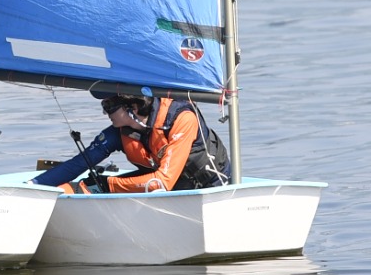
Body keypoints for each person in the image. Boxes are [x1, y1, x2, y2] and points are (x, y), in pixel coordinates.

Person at [35, 81, 231, 194]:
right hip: (171, 191)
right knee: (86, 187)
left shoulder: (182, 119)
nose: (106, 113)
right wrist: (33, 186)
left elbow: (163, 182)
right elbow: (78, 164)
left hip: (210, 190)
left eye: (109, 107)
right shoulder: (118, 132)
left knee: (103, 185)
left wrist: (110, 185)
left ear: (133, 107)